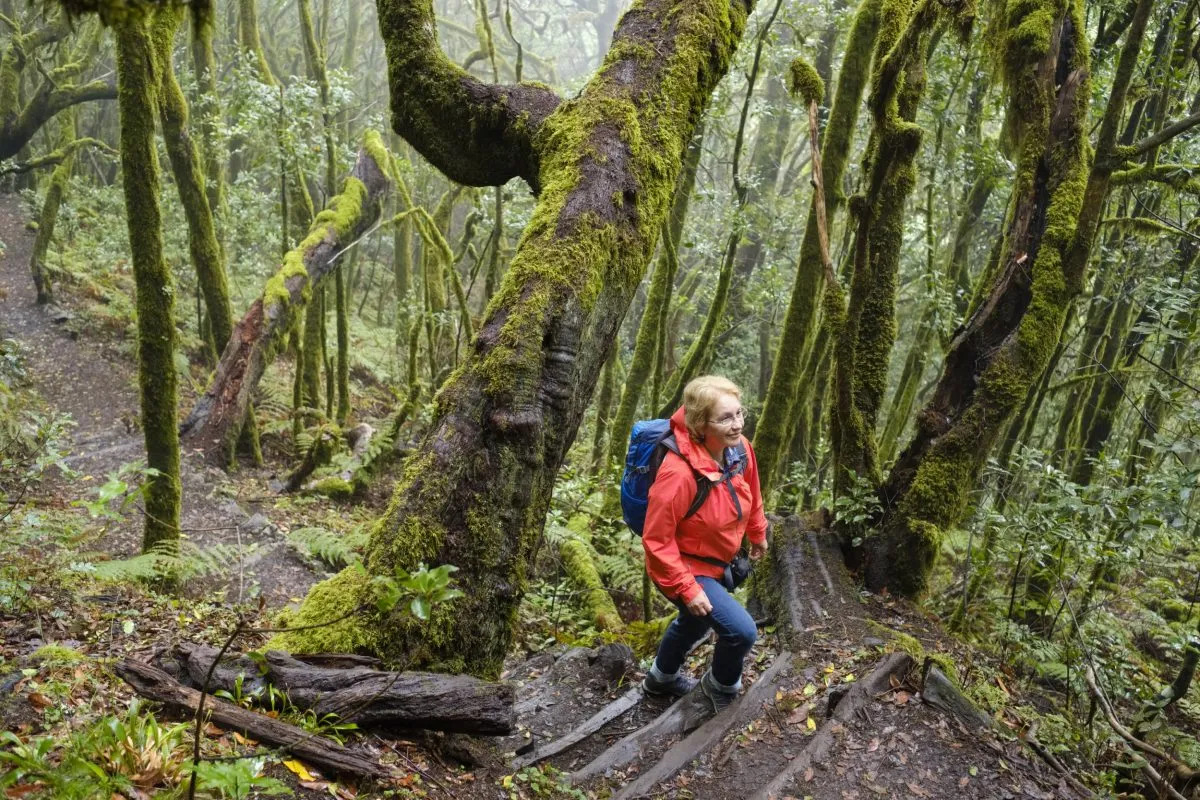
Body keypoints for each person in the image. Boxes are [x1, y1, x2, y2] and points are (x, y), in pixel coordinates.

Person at [640, 375, 769, 712]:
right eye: (725, 418)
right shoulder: (678, 474)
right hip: (681, 567)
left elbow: (752, 491)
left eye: (740, 414)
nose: (737, 424)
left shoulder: (738, 449)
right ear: (700, 424)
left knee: (694, 621)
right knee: (741, 632)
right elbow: (656, 539)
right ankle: (720, 692)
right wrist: (688, 588)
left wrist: (757, 531)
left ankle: (659, 680)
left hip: (715, 561)